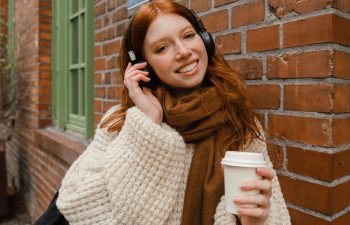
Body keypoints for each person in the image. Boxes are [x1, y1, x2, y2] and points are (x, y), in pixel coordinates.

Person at [35, 0, 291, 225]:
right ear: (141, 65)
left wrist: (253, 222)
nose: (183, 52)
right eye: (161, 48)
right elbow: (78, 204)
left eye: (189, 36)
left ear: (205, 39)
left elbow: (275, 215)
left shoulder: (242, 124)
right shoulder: (120, 124)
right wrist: (149, 124)